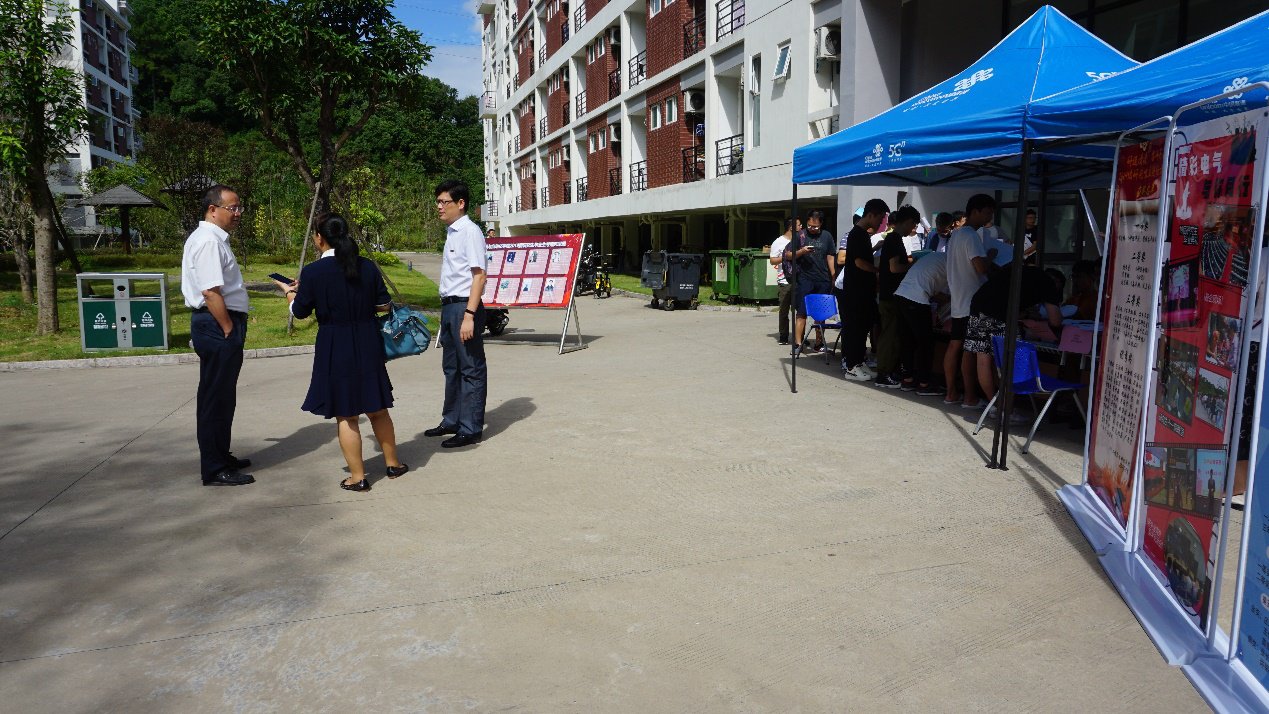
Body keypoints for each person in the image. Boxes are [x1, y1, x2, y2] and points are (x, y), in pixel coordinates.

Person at [277, 214, 407, 492]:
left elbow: (299, 312)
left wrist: (290, 292)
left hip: (335, 343)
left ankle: (358, 477)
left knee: (347, 416)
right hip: (367, 339)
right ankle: (393, 464)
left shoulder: (313, 272)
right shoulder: (367, 266)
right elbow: (384, 305)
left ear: (319, 238)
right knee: (378, 409)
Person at [182, 185, 254, 487]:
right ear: (213, 209)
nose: (237, 214)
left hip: (218, 324)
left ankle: (221, 455)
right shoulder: (209, 241)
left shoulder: (213, 239)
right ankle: (214, 468)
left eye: (239, 208)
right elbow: (210, 292)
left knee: (222, 396)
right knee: (215, 398)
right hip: (216, 324)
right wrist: (227, 328)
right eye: (232, 208)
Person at [425, 179, 489, 447]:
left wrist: (469, 315)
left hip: (464, 306)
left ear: (460, 203)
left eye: (444, 202)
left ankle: (470, 428)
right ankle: (451, 420)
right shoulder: (452, 232)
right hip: (450, 306)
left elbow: (479, 276)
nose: (439, 207)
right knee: (451, 367)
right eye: (438, 202)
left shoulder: (470, 232)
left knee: (470, 368)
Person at [964, 265, 1064, 422]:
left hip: (978, 307)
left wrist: (1026, 312)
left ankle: (995, 406)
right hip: (1002, 316)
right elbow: (1056, 321)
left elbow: (1008, 301)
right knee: (1011, 365)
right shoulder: (1048, 284)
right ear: (1057, 282)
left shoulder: (1023, 270)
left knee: (983, 361)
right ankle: (1007, 411)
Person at [944, 194, 997, 409]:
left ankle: (951, 393)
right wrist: (991, 255)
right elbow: (981, 268)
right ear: (974, 211)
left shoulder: (956, 234)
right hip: (972, 301)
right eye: (987, 213)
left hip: (959, 299)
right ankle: (970, 397)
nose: (989, 217)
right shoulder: (971, 236)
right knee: (970, 351)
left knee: (956, 346)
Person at [839, 199, 889, 380]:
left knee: (863, 329)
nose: (881, 222)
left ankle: (859, 363)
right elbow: (859, 262)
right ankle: (852, 367)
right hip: (855, 291)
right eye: (880, 218)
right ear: (870, 215)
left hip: (864, 291)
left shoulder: (863, 235)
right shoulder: (857, 234)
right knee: (856, 329)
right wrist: (878, 270)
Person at [873, 205, 920, 388]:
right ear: (908, 222)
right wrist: (913, 265)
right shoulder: (893, 239)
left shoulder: (894, 238)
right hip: (890, 295)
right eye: (913, 225)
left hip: (891, 293)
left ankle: (890, 369)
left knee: (894, 334)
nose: (913, 229)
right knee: (890, 335)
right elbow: (894, 268)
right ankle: (883, 373)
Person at [893, 252, 949, 396]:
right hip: (917, 300)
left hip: (900, 296)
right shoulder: (953, 262)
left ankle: (908, 378)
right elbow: (953, 291)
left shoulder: (936, 257)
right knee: (925, 343)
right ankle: (924, 383)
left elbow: (929, 285)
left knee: (907, 340)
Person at [787, 209, 836, 354]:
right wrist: (802, 251)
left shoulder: (827, 236)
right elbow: (788, 255)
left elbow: (830, 257)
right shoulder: (800, 235)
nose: (812, 229)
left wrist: (833, 276)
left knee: (820, 314)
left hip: (823, 280)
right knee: (801, 312)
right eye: (809, 225)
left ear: (821, 224)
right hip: (805, 279)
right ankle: (797, 344)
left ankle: (819, 343)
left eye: (815, 226)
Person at [769, 218, 798, 345]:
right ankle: (784, 335)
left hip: (798, 280)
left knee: (800, 311)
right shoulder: (778, 242)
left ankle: (799, 337)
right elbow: (772, 260)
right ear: (791, 228)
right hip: (784, 280)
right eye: (799, 225)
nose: (801, 227)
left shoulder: (800, 240)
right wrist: (786, 257)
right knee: (784, 311)